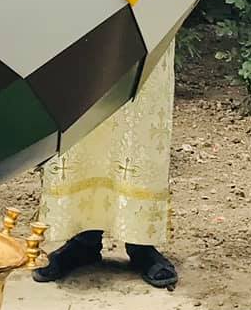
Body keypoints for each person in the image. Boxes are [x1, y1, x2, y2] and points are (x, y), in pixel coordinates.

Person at [35, 43, 180, 288]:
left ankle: (140, 241)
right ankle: (84, 239)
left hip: (148, 12)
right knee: (80, 110)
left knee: (140, 119)